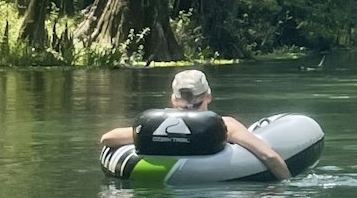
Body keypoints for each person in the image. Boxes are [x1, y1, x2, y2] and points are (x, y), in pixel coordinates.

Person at [100, 67, 290, 179]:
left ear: (173, 99)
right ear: (208, 96)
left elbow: (107, 139)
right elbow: (269, 157)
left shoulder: (155, 126)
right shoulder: (224, 126)